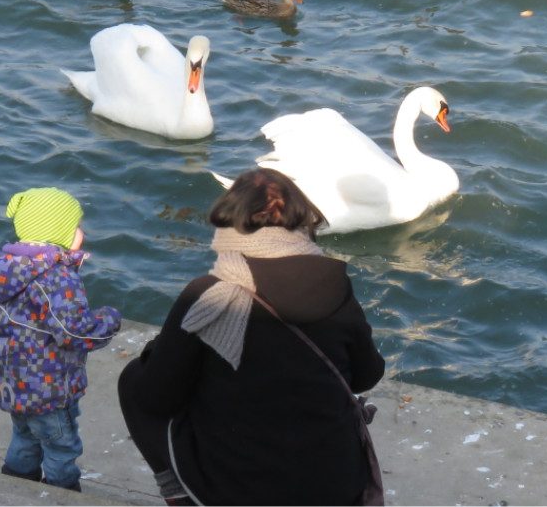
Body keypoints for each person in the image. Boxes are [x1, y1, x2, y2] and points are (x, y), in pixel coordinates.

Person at [118, 168, 385, 505]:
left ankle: (182, 495)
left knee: (133, 382)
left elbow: (155, 397)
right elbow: (367, 374)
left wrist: (164, 352)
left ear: (231, 220)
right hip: (334, 485)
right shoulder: (334, 283)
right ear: (301, 219)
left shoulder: (210, 295)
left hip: (240, 491)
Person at [0, 186, 122, 491]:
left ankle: (17, 485)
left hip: (12, 383)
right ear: (59, 233)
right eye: (76, 226)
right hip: (48, 388)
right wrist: (108, 320)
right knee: (61, 446)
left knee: (25, 436)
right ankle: (63, 493)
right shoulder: (57, 277)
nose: (81, 231)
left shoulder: (0, 269)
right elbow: (72, 331)